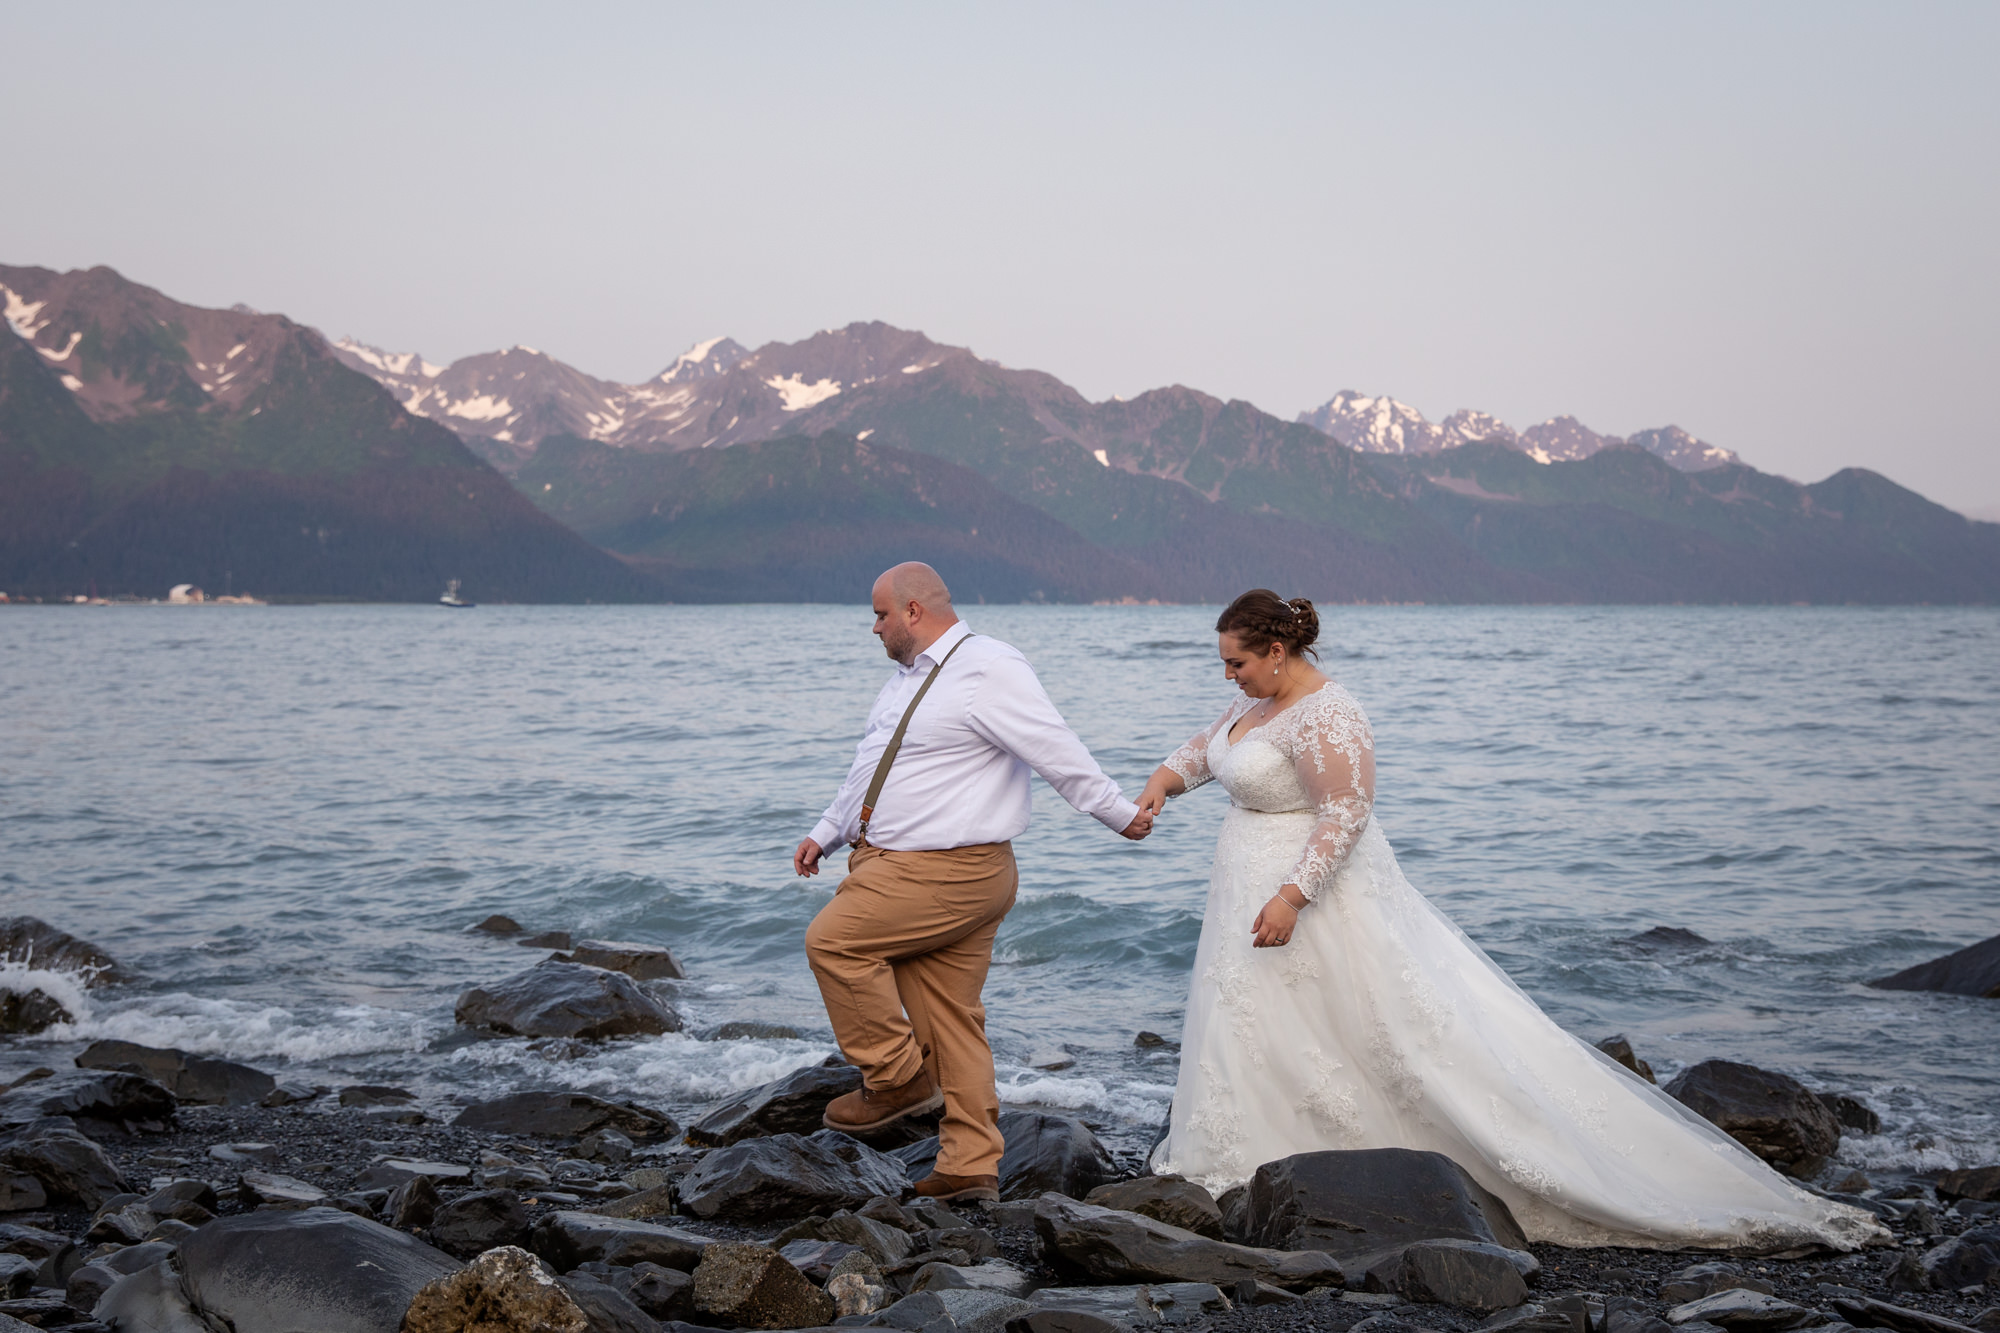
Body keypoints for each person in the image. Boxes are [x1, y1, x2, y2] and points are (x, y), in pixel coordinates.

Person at [1134, 589, 1883, 1252]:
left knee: (1372, 1029)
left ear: (1275, 649)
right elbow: (1206, 751)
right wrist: (1160, 784)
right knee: (1257, 1017)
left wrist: (1294, 895)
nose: (1226, 675)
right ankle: (1250, 1151)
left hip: (1309, 893)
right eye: (1224, 665)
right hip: (1241, 889)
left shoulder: (1331, 712)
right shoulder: (1252, 705)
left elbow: (1345, 812)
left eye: (1235, 662)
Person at [795, 562, 1152, 1203]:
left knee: (834, 942)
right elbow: (870, 770)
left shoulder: (988, 667)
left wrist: (1120, 814)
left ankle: (897, 1079)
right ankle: (970, 1164)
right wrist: (829, 830)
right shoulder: (903, 683)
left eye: (880, 614)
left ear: (912, 610)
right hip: (907, 864)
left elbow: (1054, 747)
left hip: (949, 872)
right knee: (951, 1021)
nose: (872, 627)